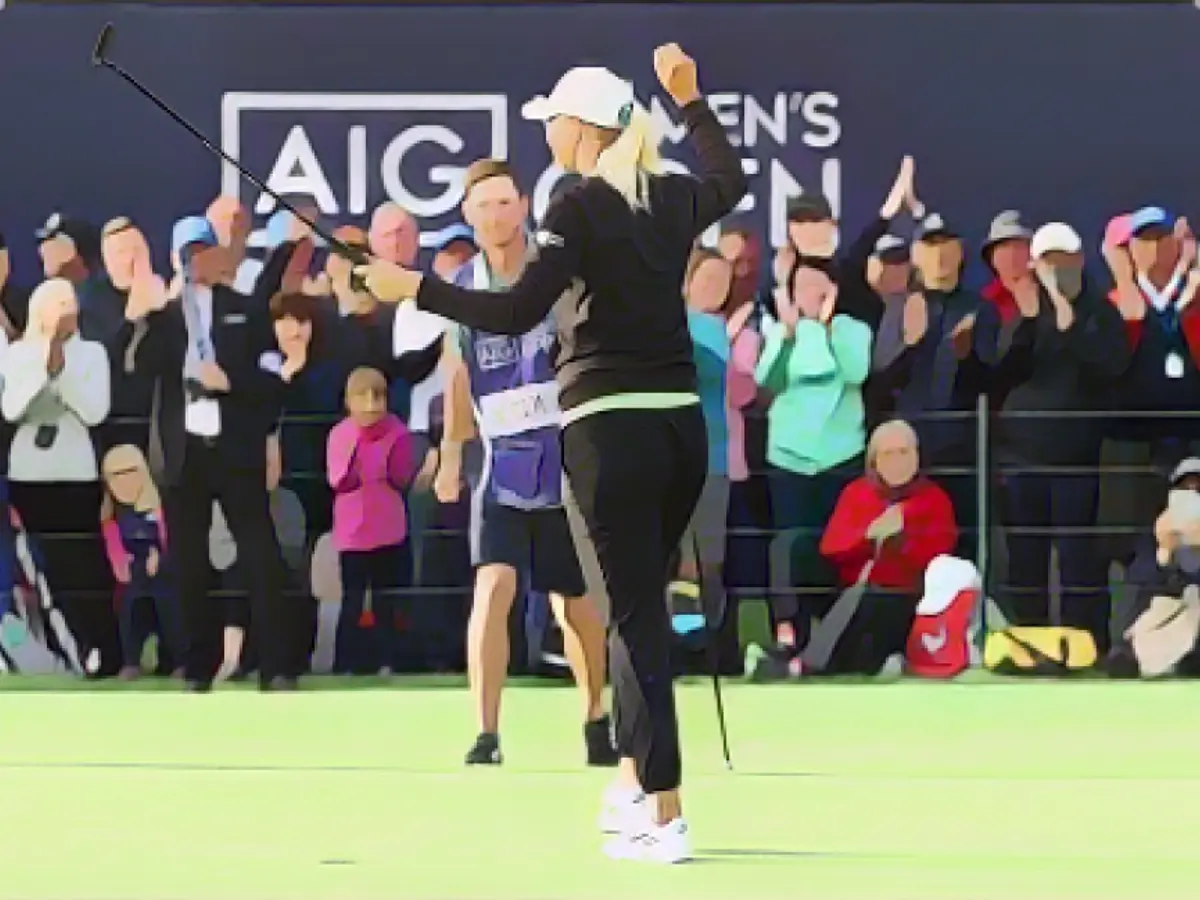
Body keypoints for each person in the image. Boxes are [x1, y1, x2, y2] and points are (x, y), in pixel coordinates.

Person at [358, 44, 746, 863]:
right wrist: (691, 97)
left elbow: (514, 311)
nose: (549, 136)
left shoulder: (573, 204)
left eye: (554, 123)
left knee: (634, 621)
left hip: (608, 433)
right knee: (632, 608)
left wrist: (414, 289)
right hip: (680, 432)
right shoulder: (671, 194)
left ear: (582, 129)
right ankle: (638, 779)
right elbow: (729, 176)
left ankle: (666, 813)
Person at [434, 158, 617, 767]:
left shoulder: (557, 273)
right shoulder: (462, 285)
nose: (494, 215)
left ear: (522, 205)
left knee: (575, 601)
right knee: (494, 585)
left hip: (565, 462)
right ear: (467, 215)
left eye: (503, 202)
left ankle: (595, 716)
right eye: (482, 206)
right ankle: (485, 733)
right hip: (501, 467)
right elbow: (457, 376)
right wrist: (449, 455)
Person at [126, 215, 297, 692]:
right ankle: (196, 667)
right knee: (188, 559)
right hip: (183, 454)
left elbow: (271, 379)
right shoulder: (163, 316)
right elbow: (136, 366)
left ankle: (276, 666)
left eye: (202, 250)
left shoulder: (245, 309)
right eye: (186, 253)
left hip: (235, 447)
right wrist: (145, 313)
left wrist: (232, 382)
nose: (195, 260)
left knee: (259, 553)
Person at [976, 222, 1129, 652]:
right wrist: (1030, 322)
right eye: (1048, 260)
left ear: (1080, 260)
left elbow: (1112, 366)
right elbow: (1002, 373)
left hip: (1077, 458)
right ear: (1036, 266)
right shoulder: (1022, 312)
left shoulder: (1100, 313)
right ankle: (1030, 644)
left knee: (1081, 560)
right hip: (1022, 459)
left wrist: (1070, 320)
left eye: (1064, 258)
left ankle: (1085, 647)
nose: (1057, 268)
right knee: (1026, 559)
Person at [756, 260, 871, 662]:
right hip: (789, 458)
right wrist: (787, 336)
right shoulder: (778, 331)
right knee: (789, 547)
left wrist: (827, 328)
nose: (810, 292)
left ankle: (837, 639)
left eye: (818, 284)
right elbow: (766, 381)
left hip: (840, 457)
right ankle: (791, 635)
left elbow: (857, 372)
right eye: (800, 285)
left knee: (839, 548)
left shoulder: (853, 329)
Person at [1, 278, 116, 674]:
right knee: (44, 565)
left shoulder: (92, 353)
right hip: (30, 474)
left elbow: (94, 410)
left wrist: (61, 372)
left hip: (76, 471)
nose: (63, 309)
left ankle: (103, 648)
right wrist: (44, 366)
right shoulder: (17, 355)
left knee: (85, 563)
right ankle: (61, 652)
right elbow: (13, 408)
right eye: (55, 302)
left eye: (69, 302)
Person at [817, 420, 959, 674]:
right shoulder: (857, 492)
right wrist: (868, 538)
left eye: (904, 452)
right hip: (854, 591)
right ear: (874, 461)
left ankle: (812, 664)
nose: (897, 461)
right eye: (888, 453)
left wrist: (901, 541)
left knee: (872, 601)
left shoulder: (933, 498)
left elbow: (940, 562)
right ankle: (800, 649)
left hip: (906, 598)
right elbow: (831, 548)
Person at [327, 367, 414, 675]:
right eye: (362, 397)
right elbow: (337, 478)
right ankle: (344, 664)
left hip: (388, 525)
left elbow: (402, 476)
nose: (371, 404)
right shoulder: (340, 434)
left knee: (385, 599)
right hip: (352, 528)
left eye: (377, 397)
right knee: (352, 598)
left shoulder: (399, 432)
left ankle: (387, 662)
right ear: (349, 401)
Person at [100, 443, 183, 679]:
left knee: (168, 601)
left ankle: (176, 659)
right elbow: (112, 540)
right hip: (131, 568)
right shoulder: (112, 513)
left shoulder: (160, 505)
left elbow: (169, 536)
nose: (126, 481)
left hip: (161, 566)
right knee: (130, 603)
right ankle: (131, 660)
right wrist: (120, 561)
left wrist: (159, 555)